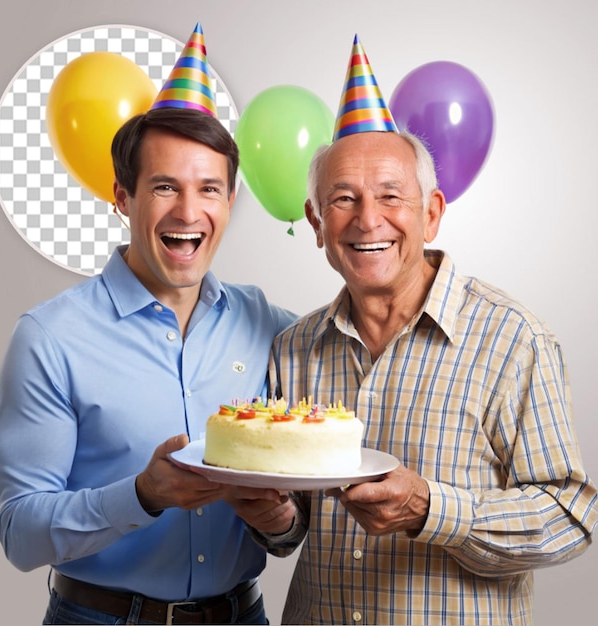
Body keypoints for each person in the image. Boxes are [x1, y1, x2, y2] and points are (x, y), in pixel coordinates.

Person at [227, 35, 598, 625]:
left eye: (391, 197)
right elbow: (292, 529)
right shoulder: (294, 348)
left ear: (431, 213)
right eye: (342, 199)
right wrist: (273, 517)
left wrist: (431, 510)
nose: (367, 219)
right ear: (317, 223)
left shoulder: (512, 338)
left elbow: (570, 517)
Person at [0, 24, 297, 625]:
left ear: (230, 203)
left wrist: (281, 523)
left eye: (209, 188)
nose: (188, 211)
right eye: (164, 187)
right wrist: (143, 496)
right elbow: (19, 534)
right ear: (122, 197)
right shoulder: (50, 339)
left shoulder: (273, 327)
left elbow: (296, 517)